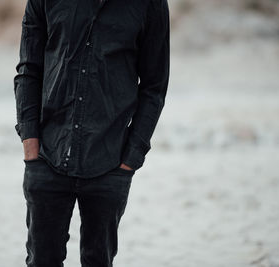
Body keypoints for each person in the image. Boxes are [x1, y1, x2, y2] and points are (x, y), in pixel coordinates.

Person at [13, 0, 170, 266]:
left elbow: (154, 87)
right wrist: (31, 146)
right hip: (48, 156)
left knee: (98, 261)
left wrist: (131, 158)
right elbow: (29, 69)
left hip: (110, 162)